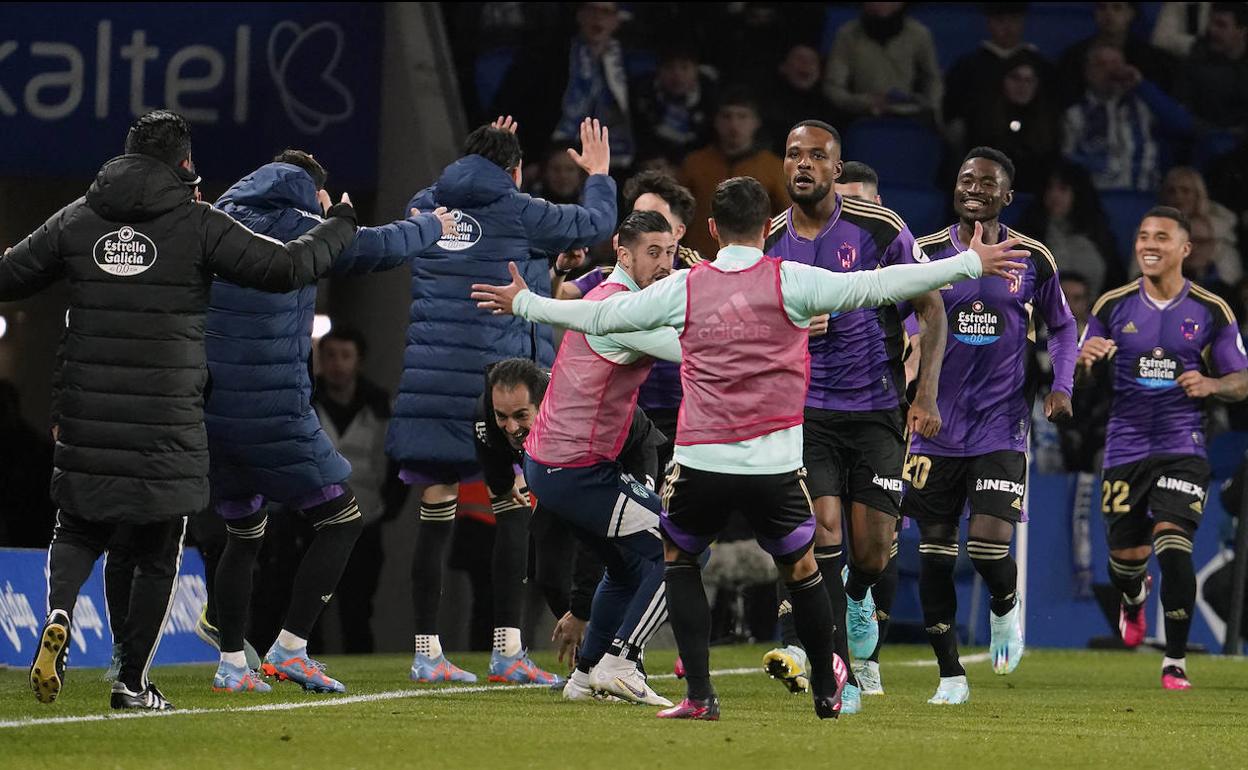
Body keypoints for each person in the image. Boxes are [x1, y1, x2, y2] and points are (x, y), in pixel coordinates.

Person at [471, 175, 1030, 720]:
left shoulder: (685, 286)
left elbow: (596, 314)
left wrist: (526, 304)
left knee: (680, 560)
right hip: (774, 466)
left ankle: (699, 697)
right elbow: (878, 285)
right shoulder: (792, 280)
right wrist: (969, 264)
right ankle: (828, 692)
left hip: (701, 463)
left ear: (711, 229)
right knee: (805, 570)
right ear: (768, 226)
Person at [1, 110, 357, 711]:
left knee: (80, 526)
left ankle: (59, 610)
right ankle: (132, 683)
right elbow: (284, 267)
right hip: (167, 416)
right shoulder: (197, 224)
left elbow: (7, 278)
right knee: (156, 544)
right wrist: (340, 224)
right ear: (184, 163)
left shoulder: (77, 220)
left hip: (87, 410)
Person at [202, 152, 453, 695]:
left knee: (243, 536)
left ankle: (230, 664)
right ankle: (291, 648)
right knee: (341, 519)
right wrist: (432, 225)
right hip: (274, 411)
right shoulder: (301, 225)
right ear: (315, 192)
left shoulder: (214, 221)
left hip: (214, 414)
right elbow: (375, 249)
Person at [392, 117, 616, 684]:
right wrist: (599, 174)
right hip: (496, 386)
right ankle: (506, 650)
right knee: (512, 504)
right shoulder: (520, 209)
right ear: (514, 170)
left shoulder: (425, 201)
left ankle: (426, 652)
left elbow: (498, 255)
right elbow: (597, 223)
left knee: (436, 504)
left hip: (430, 379)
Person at [759, 121, 950, 714]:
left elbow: (932, 306)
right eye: (794, 155)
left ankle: (863, 596)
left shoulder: (880, 228)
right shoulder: (770, 238)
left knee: (873, 550)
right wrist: (790, 327)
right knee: (822, 534)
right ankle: (834, 664)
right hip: (807, 412)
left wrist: (926, 397)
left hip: (876, 411)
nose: (803, 164)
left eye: (817, 156)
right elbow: (751, 320)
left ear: (836, 170)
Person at [905, 147, 1077, 705]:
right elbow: (906, 325)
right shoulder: (926, 254)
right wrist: (910, 387)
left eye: (987, 182)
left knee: (986, 547)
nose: (973, 188)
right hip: (934, 426)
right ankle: (950, 674)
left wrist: (1061, 386)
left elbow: (1064, 327)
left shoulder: (1034, 259)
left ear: (1007, 195)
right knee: (933, 552)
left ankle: (1006, 606)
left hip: (1002, 425)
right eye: (965, 179)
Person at [512, 211, 684, 706]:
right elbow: (689, 350)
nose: (663, 263)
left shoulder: (605, 299)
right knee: (681, 546)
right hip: (578, 470)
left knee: (628, 568)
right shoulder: (622, 308)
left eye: (670, 252)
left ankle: (584, 677)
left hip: (551, 466)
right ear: (623, 252)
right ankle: (621, 662)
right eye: (652, 252)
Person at [1077, 206, 1248, 690]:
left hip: (1183, 444)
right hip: (1124, 448)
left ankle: (1174, 660)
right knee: (1125, 560)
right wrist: (1086, 364)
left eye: (1162, 237)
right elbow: (1080, 382)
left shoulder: (1212, 310)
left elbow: (1242, 379)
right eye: (1143, 236)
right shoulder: (1113, 305)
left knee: (1173, 546)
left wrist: (1214, 386)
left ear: (1185, 250)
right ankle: (1132, 596)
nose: (1149, 245)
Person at [562, 171, 703, 482]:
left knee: (676, 517)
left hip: (684, 415)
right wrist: (560, 270)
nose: (642, 222)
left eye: (652, 216)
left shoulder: (698, 274)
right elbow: (558, 298)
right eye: (637, 215)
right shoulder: (611, 275)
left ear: (677, 231)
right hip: (623, 417)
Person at [313, 326, 397, 654]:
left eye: (345, 356)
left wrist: (390, 506)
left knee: (359, 605)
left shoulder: (380, 407)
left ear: (359, 361)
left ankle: (358, 660)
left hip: (366, 519)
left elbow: (394, 460)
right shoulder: (307, 401)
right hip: (315, 521)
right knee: (309, 604)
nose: (337, 364)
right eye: (330, 355)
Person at [495, 2, 636, 168]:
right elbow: (516, 108)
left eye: (606, 12)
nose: (598, 17)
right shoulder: (547, 56)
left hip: (616, 157)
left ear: (617, 20)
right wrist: (530, 159)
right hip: (553, 153)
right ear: (579, 15)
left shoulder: (625, 64)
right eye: (591, 9)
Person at [1061, 42, 1191, 192]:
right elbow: (1068, 163)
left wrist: (1141, 85)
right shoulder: (1074, 115)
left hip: (1145, 194)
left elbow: (1183, 126)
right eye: (1101, 65)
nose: (1110, 70)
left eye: (1115, 64)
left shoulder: (1144, 105)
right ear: (1088, 72)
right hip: (1098, 197)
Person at [678, 89, 789, 258]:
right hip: (699, 262)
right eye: (726, 116)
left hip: (757, 263)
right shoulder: (694, 163)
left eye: (742, 116)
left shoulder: (774, 167)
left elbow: (789, 219)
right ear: (715, 121)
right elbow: (677, 215)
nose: (734, 124)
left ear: (756, 122)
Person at [823, 2, 943, 123]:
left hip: (910, 117)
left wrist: (928, 108)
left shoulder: (919, 34)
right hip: (859, 118)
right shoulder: (847, 35)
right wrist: (862, 103)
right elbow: (834, 86)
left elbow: (933, 80)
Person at [1017, 161, 1124, 295]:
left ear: (1078, 194)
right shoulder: (1029, 231)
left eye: (1062, 189)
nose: (1054, 195)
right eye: (1050, 188)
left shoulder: (1098, 234)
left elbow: (1115, 283)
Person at [965, 53, 1061, 195]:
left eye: (1029, 80)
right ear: (1002, 80)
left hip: (1035, 200)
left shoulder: (1049, 123)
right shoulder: (982, 120)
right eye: (1015, 78)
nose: (1022, 86)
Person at [944, 3, 1049, 132]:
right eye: (1000, 21)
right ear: (989, 23)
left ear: (1023, 22)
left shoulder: (1040, 66)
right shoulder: (968, 67)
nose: (1008, 28)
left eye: (1014, 20)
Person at [1057, 2, 1176, 106]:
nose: (1109, 14)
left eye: (1117, 7)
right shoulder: (1074, 57)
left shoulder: (1155, 60)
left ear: (1131, 13)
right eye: (1102, 7)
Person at [632, 47, 718, 163]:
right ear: (659, 71)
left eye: (684, 67)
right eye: (669, 67)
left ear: (696, 70)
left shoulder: (711, 97)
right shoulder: (641, 94)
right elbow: (639, 136)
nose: (677, 75)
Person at [1159, 166, 1242, 285]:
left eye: (1185, 191)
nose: (1178, 197)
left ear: (1198, 195)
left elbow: (1232, 285)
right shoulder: (1149, 232)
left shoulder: (1221, 233)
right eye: (1171, 191)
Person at [1176, 2, 1248, 130]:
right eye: (1211, 22)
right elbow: (1182, 103)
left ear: (1242, 31)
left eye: (1221, 25)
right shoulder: (1200, 53)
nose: (1211, 29)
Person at [761, 43, 841, 155]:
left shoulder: (830, 111)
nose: (806, 64)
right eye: (799, 59)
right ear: (783, 67)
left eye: (812, 60)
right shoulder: (765, 104)